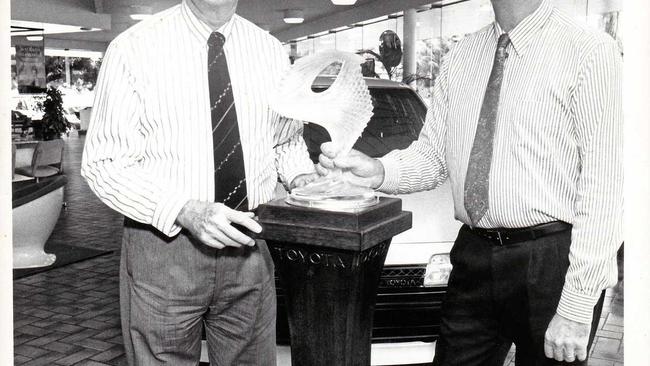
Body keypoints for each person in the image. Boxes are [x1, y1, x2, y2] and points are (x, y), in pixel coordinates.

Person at [319, 0, 622, 365]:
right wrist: (379, 170)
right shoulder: (462, 56)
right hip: (474, 254)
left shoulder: (589, 51)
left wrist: (576, 304)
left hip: (553, 259)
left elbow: (607, 186)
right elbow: (433, 156)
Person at [81, 0, 317, 364]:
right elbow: (104, 163)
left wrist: (301, 176)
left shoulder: (268, 50)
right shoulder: (133, 48)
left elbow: (284, 140)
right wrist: (185, 210)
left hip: (249, 245)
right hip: (164, 249)